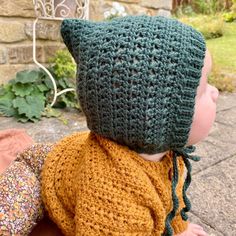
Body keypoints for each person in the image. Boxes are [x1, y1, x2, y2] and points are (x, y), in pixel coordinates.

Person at [0, 15, 219, 236]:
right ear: (154, 116)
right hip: (38, 170)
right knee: (9, 218)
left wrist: (178, 228)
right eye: (203, 90)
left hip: (70, 157)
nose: (216, 92)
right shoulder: (109, 189)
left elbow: (174, 195)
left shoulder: (170, 155)